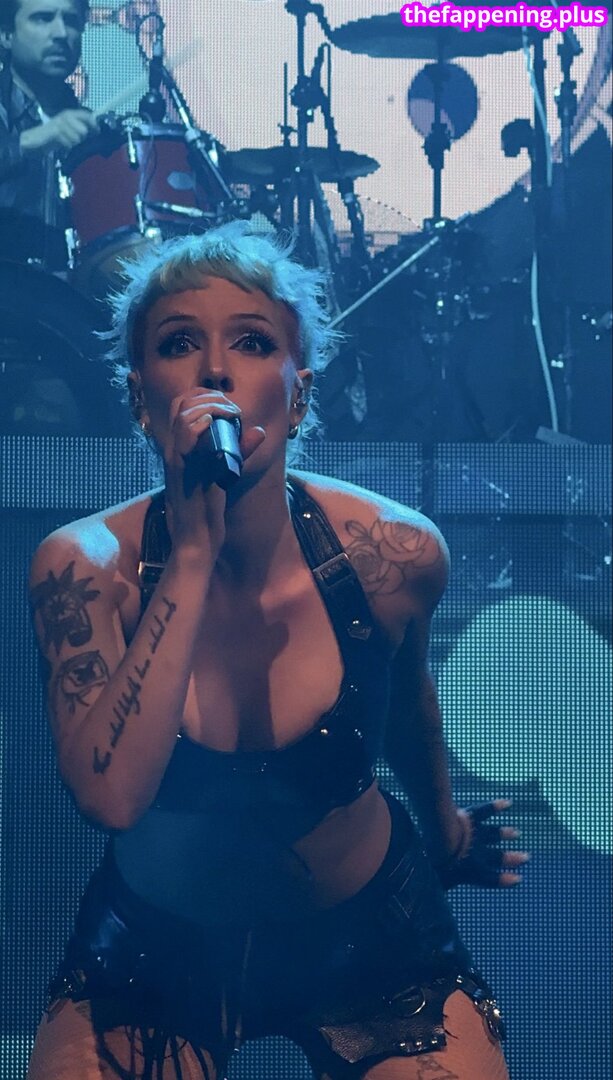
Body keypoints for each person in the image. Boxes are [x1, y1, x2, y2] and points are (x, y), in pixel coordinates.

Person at [27, 222, 528, 1080]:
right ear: (142, 398)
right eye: (178, 344)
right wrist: (191, 553)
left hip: (367, 947)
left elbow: (403, 703)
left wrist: (444, 831)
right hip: (156, 958)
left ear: (298, 395)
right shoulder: (85, 567)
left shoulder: (392, 554)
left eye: (252, 343)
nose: (215, 372)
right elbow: (109, 798)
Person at [0, 0, 97, 267]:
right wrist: (29, 142)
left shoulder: (90, 130)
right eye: (43, 18)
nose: (61, 33)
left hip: (67, 287)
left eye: (71, 21)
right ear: (6, 35)